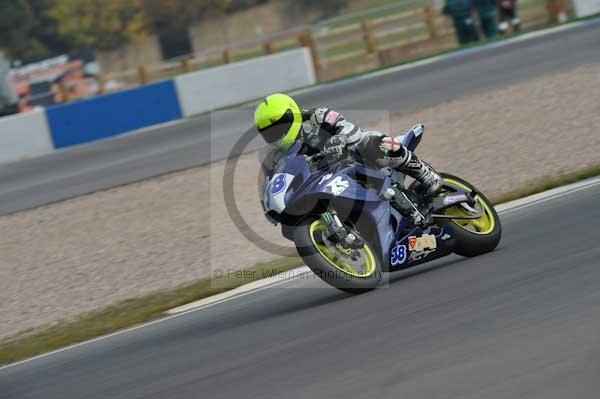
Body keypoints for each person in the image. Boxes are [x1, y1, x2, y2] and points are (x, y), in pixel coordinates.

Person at [254, 93, 443, 204]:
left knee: (369, 143)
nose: (276, 135)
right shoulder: (276, 156)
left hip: (357, 161)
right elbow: (275, 182)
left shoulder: (317, 116)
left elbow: (350, 128)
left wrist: (339, 139)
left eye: (279, 127)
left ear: (292, 115)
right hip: (328, 183)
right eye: (268, 132)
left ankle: (426, 174)